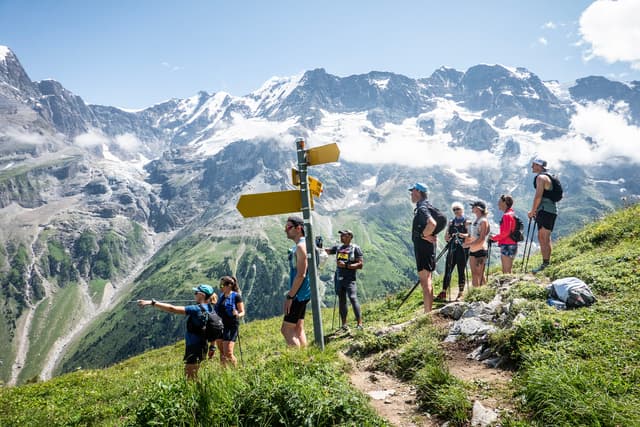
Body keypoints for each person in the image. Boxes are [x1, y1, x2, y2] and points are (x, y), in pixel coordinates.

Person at [137, 284, 217, 380]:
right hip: (203, 345)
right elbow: (213, 328)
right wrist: (212, 346)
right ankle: (197, 391)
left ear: (202, 295)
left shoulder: (196, 309)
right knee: (194, 373)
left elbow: (172, 309)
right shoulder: (211, 308)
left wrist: (152, 303)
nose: (194, 294)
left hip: (194, 346)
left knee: (190, 376)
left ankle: (197, 393)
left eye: (196, 293)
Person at [281, 215, 311, 348]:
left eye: (288, 227)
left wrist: (290, 296)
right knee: (298, 328)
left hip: (298, 294)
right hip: (304, 293)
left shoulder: (300, 247)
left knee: (286, 330)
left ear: (299, 228)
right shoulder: (305, 244)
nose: (285, 230)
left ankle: (299, 362)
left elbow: (301, 274)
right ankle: (306, 357)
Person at [325, 229, 364, 330]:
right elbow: (327, 251)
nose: (341, 237)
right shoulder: (338, 247)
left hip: (350, 278)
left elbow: (360, 265)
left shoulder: (355, 248)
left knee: (352, 297)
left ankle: (360, 324)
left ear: (350, 237)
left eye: (344, 235)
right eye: (341, 235)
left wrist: (346, 266)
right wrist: (318, 247)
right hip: (338, 278)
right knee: (342, 301)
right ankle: (344, 325)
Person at [409, 182, 438, 312]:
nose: (411, 194)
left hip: (423, 249)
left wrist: (423, 235)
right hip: (427, 248)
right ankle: (428, 311)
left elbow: (432, 223)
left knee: (425, 281)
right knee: (428, 280)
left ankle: (427, 313)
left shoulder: (422, 208)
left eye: (412, 191)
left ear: (418, 192)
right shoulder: (426, 205)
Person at [528, 158, 558, 273]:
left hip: (545, 210)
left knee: (543, 237)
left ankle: (546, 264)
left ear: (539, 166)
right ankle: (546, 263)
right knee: (543, 237)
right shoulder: (548, 177)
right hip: (548, 210)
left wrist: (532, 211)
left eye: (534, 165)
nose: (532, 167)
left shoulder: (541, 178)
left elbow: (538, 196)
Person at [437, 202, 469, 301]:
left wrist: (460, 235)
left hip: (463, 249)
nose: (456, 211)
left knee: (461, 269)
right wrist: (448, 235)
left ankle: (461, 292)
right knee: (448, 269)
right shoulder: (451, 222)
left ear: (462, 209)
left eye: (457, 209)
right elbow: (446, 237)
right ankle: (443, 291)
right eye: (454, 209)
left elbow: (470, 235)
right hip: (452, 248)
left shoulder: (467, 221)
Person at [214, 276, 245, 367]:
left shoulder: (236, 296)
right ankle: (224, 373)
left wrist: (238, 315)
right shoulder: (221, 297)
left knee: (228, 352)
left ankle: (236, 371)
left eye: (222, 285)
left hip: (231, 326)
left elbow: (242, 311)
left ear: (229, 285)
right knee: (222, 352)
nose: (220, 287)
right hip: (220, 326)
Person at [463, 201, 490, 288]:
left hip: (481, 250)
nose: (472, 208)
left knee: (480, 274)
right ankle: (475, 293)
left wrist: (468, 244)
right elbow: (474, 235)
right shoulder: (477, 220)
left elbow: (482, 238)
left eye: (473, 206)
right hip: (473, 250)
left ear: (478, 209)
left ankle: (484, 293)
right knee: (474, 273)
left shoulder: (483, 221)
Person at [490, 195, 518, 274]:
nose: (498, 204)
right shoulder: (512, 213)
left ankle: (507, 285)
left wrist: (494, 238)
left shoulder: (506, 215)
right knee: (509, 269)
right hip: (513, 243)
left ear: (504, 202)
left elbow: (506, 232)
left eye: (499, 202)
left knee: (506, 271)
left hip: (507, 244)